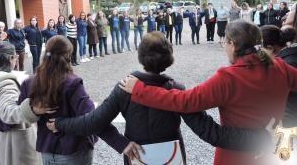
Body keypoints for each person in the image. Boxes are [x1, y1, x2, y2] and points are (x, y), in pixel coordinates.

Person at [47, 32, 271, 165]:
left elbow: (93, 122)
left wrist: (59, 123)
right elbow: (209, 132)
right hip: (171, 155)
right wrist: (260, 138)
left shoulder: (125, 87)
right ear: (169, 58)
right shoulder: (177, 91)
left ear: (141, 57)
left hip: (136, 154)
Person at [120, 20, 297, 165]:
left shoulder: (229, 77)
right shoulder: (280, 67)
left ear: (232, 44)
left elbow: (186, 101)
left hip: (234, 156)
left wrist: (140, 90)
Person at [20, 36, 137, 164]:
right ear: (68, 55)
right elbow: (93, 119)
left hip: (46, 150)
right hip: (73, 150)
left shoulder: (29, 82)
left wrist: (0, 123)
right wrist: (121, 143)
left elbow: (18, 113)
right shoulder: (72, 83)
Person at [261, 25, 297, 162]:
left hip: (295, 126)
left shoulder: (285, 66)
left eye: (258, 49)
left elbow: (290, 107)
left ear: (269, 48)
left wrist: (285, 142)